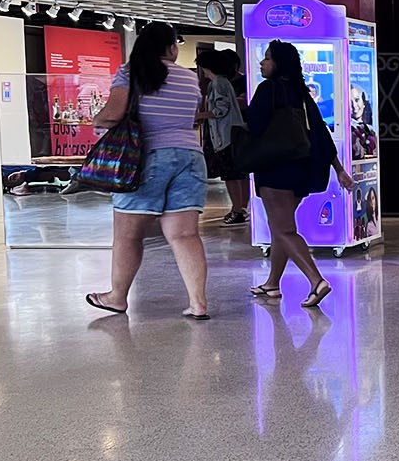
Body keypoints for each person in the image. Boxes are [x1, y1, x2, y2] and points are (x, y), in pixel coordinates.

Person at [84, 22, 211, 320]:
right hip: (190, 156)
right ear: (171, 48)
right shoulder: (189, 78)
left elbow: (114, 113)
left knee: (128, 236)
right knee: (185, 235)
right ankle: (198, 302)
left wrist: (95, 120)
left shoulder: (130, 72)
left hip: (145, 158)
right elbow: (192, 117)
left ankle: (116, 297)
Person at [246, 40, 355, 308]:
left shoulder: (267, 90)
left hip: (274, 169)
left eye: (267, 58)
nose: (262, 63)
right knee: (281, 227)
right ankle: (272, 283)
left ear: (278, 63)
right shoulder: (302, 94)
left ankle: (317, 281)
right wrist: (339, 169)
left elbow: (254, 125)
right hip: (301, 170)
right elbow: (320, 133)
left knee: (282, 229)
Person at [199, 49, 250, 226]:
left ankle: (237, 210)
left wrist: (201, 116)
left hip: (225, 136)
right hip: (231, 134)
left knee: (231, 176)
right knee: (237, 175)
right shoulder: (223, 82)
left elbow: (221, 109)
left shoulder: (218, 84)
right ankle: (240, 208)